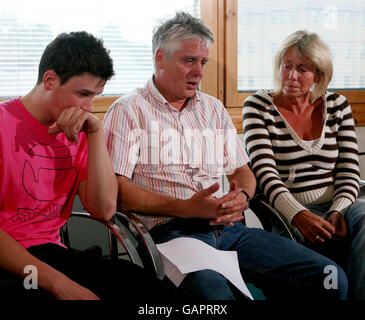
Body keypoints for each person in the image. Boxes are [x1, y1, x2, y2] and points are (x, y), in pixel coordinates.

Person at [104, 13, 348, 300]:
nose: (198, 72)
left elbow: (242, 172)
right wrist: (189, 208)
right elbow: (118, 192)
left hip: (231, 229)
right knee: (214, 294)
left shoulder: (213, 108)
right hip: (172, 236)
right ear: (160, 58)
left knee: (330, 278)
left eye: (203, 62)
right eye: (189, 61)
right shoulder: (128, 111)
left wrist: (241, 198)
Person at [0, 31, 180, 300]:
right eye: (83, 94)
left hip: (51, 254)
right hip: (10, 262)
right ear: (49, 80)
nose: (88, 107)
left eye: (95, 95)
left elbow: (104, 210)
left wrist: (95, 134)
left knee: (151, 291)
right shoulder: (4, 124)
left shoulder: (80, 130)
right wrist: (61, 284)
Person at [242, 30, 365, 300]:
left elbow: (349, 169)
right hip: (287, 210)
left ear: (319, 75)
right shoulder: (258, 106)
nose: (291, 76)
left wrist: (339, 210)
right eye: (287, 66)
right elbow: (264, 173)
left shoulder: (337, 105)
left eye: (303, 69)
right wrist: (298, 215)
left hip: (337, 204)